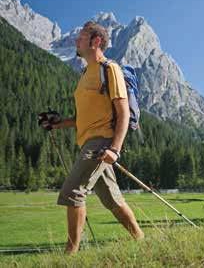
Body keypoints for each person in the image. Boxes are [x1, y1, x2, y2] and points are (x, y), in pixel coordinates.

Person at [39, 21, 144, 254]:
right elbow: (83, 118)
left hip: (101, 143)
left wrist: (114, 149)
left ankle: (71, 253)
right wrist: (58, 124)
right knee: (113, 200)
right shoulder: (86, 73)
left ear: (96, 41)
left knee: (72, 192)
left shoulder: (109, 69)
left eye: (81, 36)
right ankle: (141, 239)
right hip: (89, 141)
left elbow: (123, 112)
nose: (76, 40)